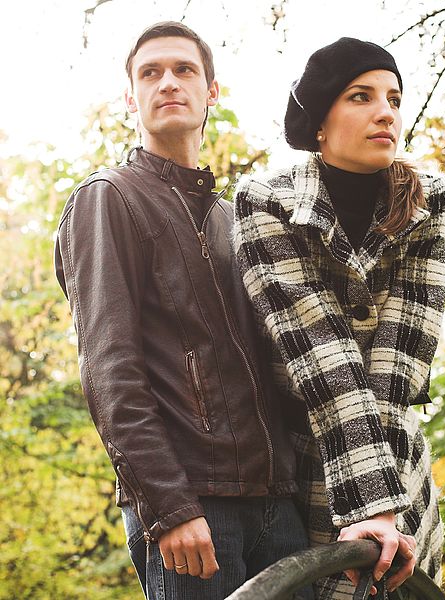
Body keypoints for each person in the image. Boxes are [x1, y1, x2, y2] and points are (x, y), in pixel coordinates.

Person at [54, 21, 311, 599]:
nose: (168, 82)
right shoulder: (108, 198)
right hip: (193, 508)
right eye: (151, 73)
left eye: (184, 70)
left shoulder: (233, 218)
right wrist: (167, 504)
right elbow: (109, 369)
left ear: (210, 93)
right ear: (131, 99)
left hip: (277, 506)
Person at [232, 37, 445, 598]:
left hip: (399, 463)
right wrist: (366, 505)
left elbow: (399, 365)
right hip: (306, 467)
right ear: (319, 125)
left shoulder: (432, 201)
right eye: (361, 96)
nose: (386, 112)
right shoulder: (264, 203)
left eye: (394, 97)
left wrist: (385, 510)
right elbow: (320, 355)